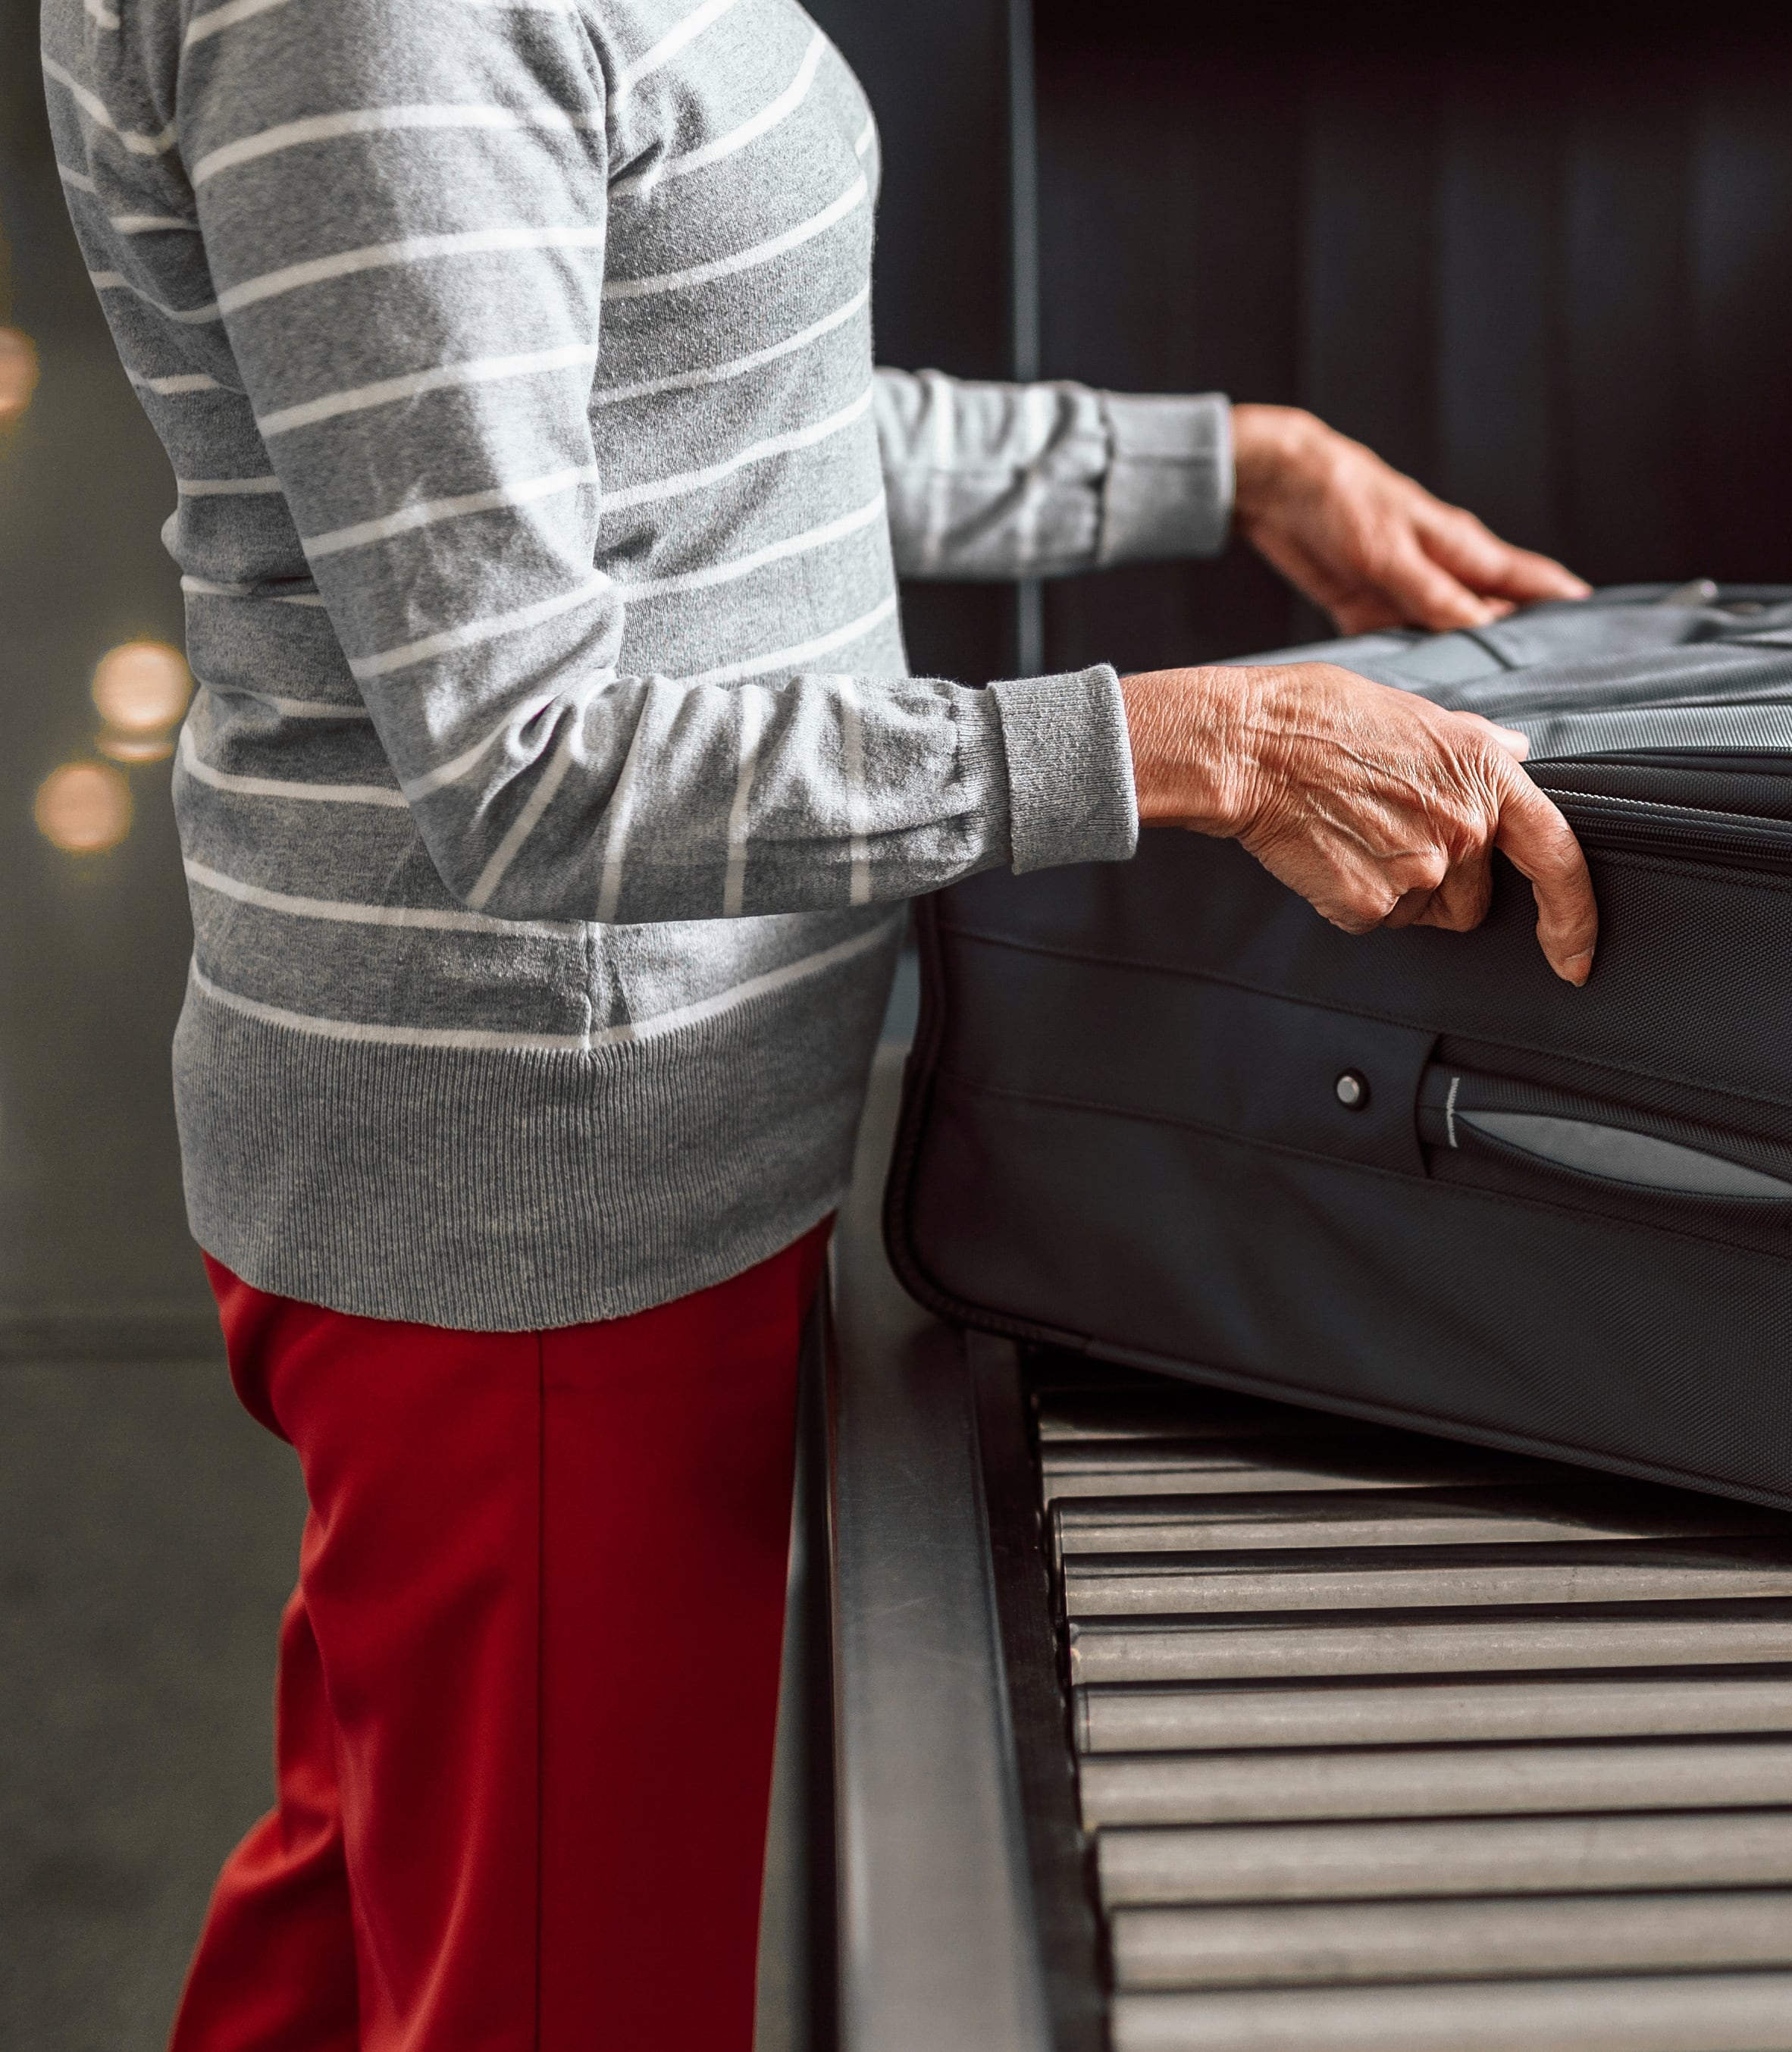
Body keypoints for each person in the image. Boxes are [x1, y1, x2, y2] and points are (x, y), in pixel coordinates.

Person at [42, 0, 1599, 2044]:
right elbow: (533, 767)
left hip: (555, 1183)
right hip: (544, 1215)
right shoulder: (368, 25)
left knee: (362, 1922)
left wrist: (1227, 471)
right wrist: (1185, 748)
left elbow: (701, 413)